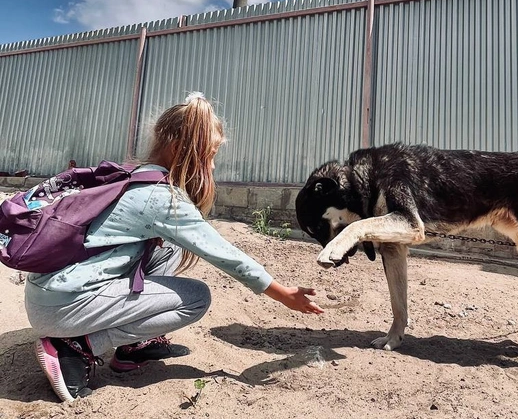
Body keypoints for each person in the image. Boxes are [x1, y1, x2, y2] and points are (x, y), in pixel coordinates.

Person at [25, 92, 324, 402]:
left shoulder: (135, 175)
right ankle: (76, 347)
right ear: (183, 149)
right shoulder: (161, 197)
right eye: (210, 154)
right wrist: (283, 294)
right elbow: (224, 254)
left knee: (170, 246)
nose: (212, 164)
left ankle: (135, 346)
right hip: (63, 308)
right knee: (195, 298)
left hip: (52, 293)